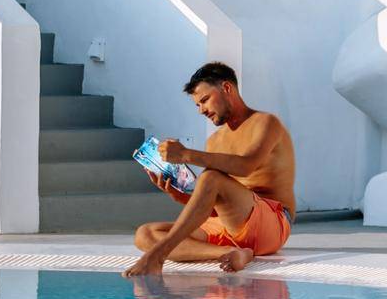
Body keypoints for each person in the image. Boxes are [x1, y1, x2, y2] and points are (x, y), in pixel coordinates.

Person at [123, 62, 296, 277]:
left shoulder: (266, 123)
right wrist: (180, 197)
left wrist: (186, 154)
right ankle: (231, 252)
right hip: (229, 226)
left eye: (204, 100)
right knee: (145, 234)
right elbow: (217, 207)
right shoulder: (214, 141)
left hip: (272, 223)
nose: (202, 110)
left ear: (226, 88)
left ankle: (157, 255)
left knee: (210, 177)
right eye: (197, 105)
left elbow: (246, 166)